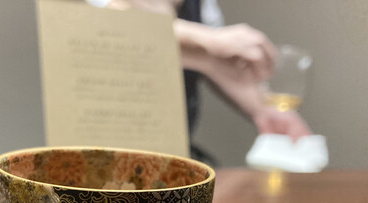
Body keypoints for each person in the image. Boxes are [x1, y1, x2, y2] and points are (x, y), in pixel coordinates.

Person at [87, 0, 312, 162]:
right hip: (98, 151)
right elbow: (101, 20)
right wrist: (207, 38)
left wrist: (264, 110)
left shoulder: (202, 5)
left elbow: (215, 61)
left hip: (169, 151)